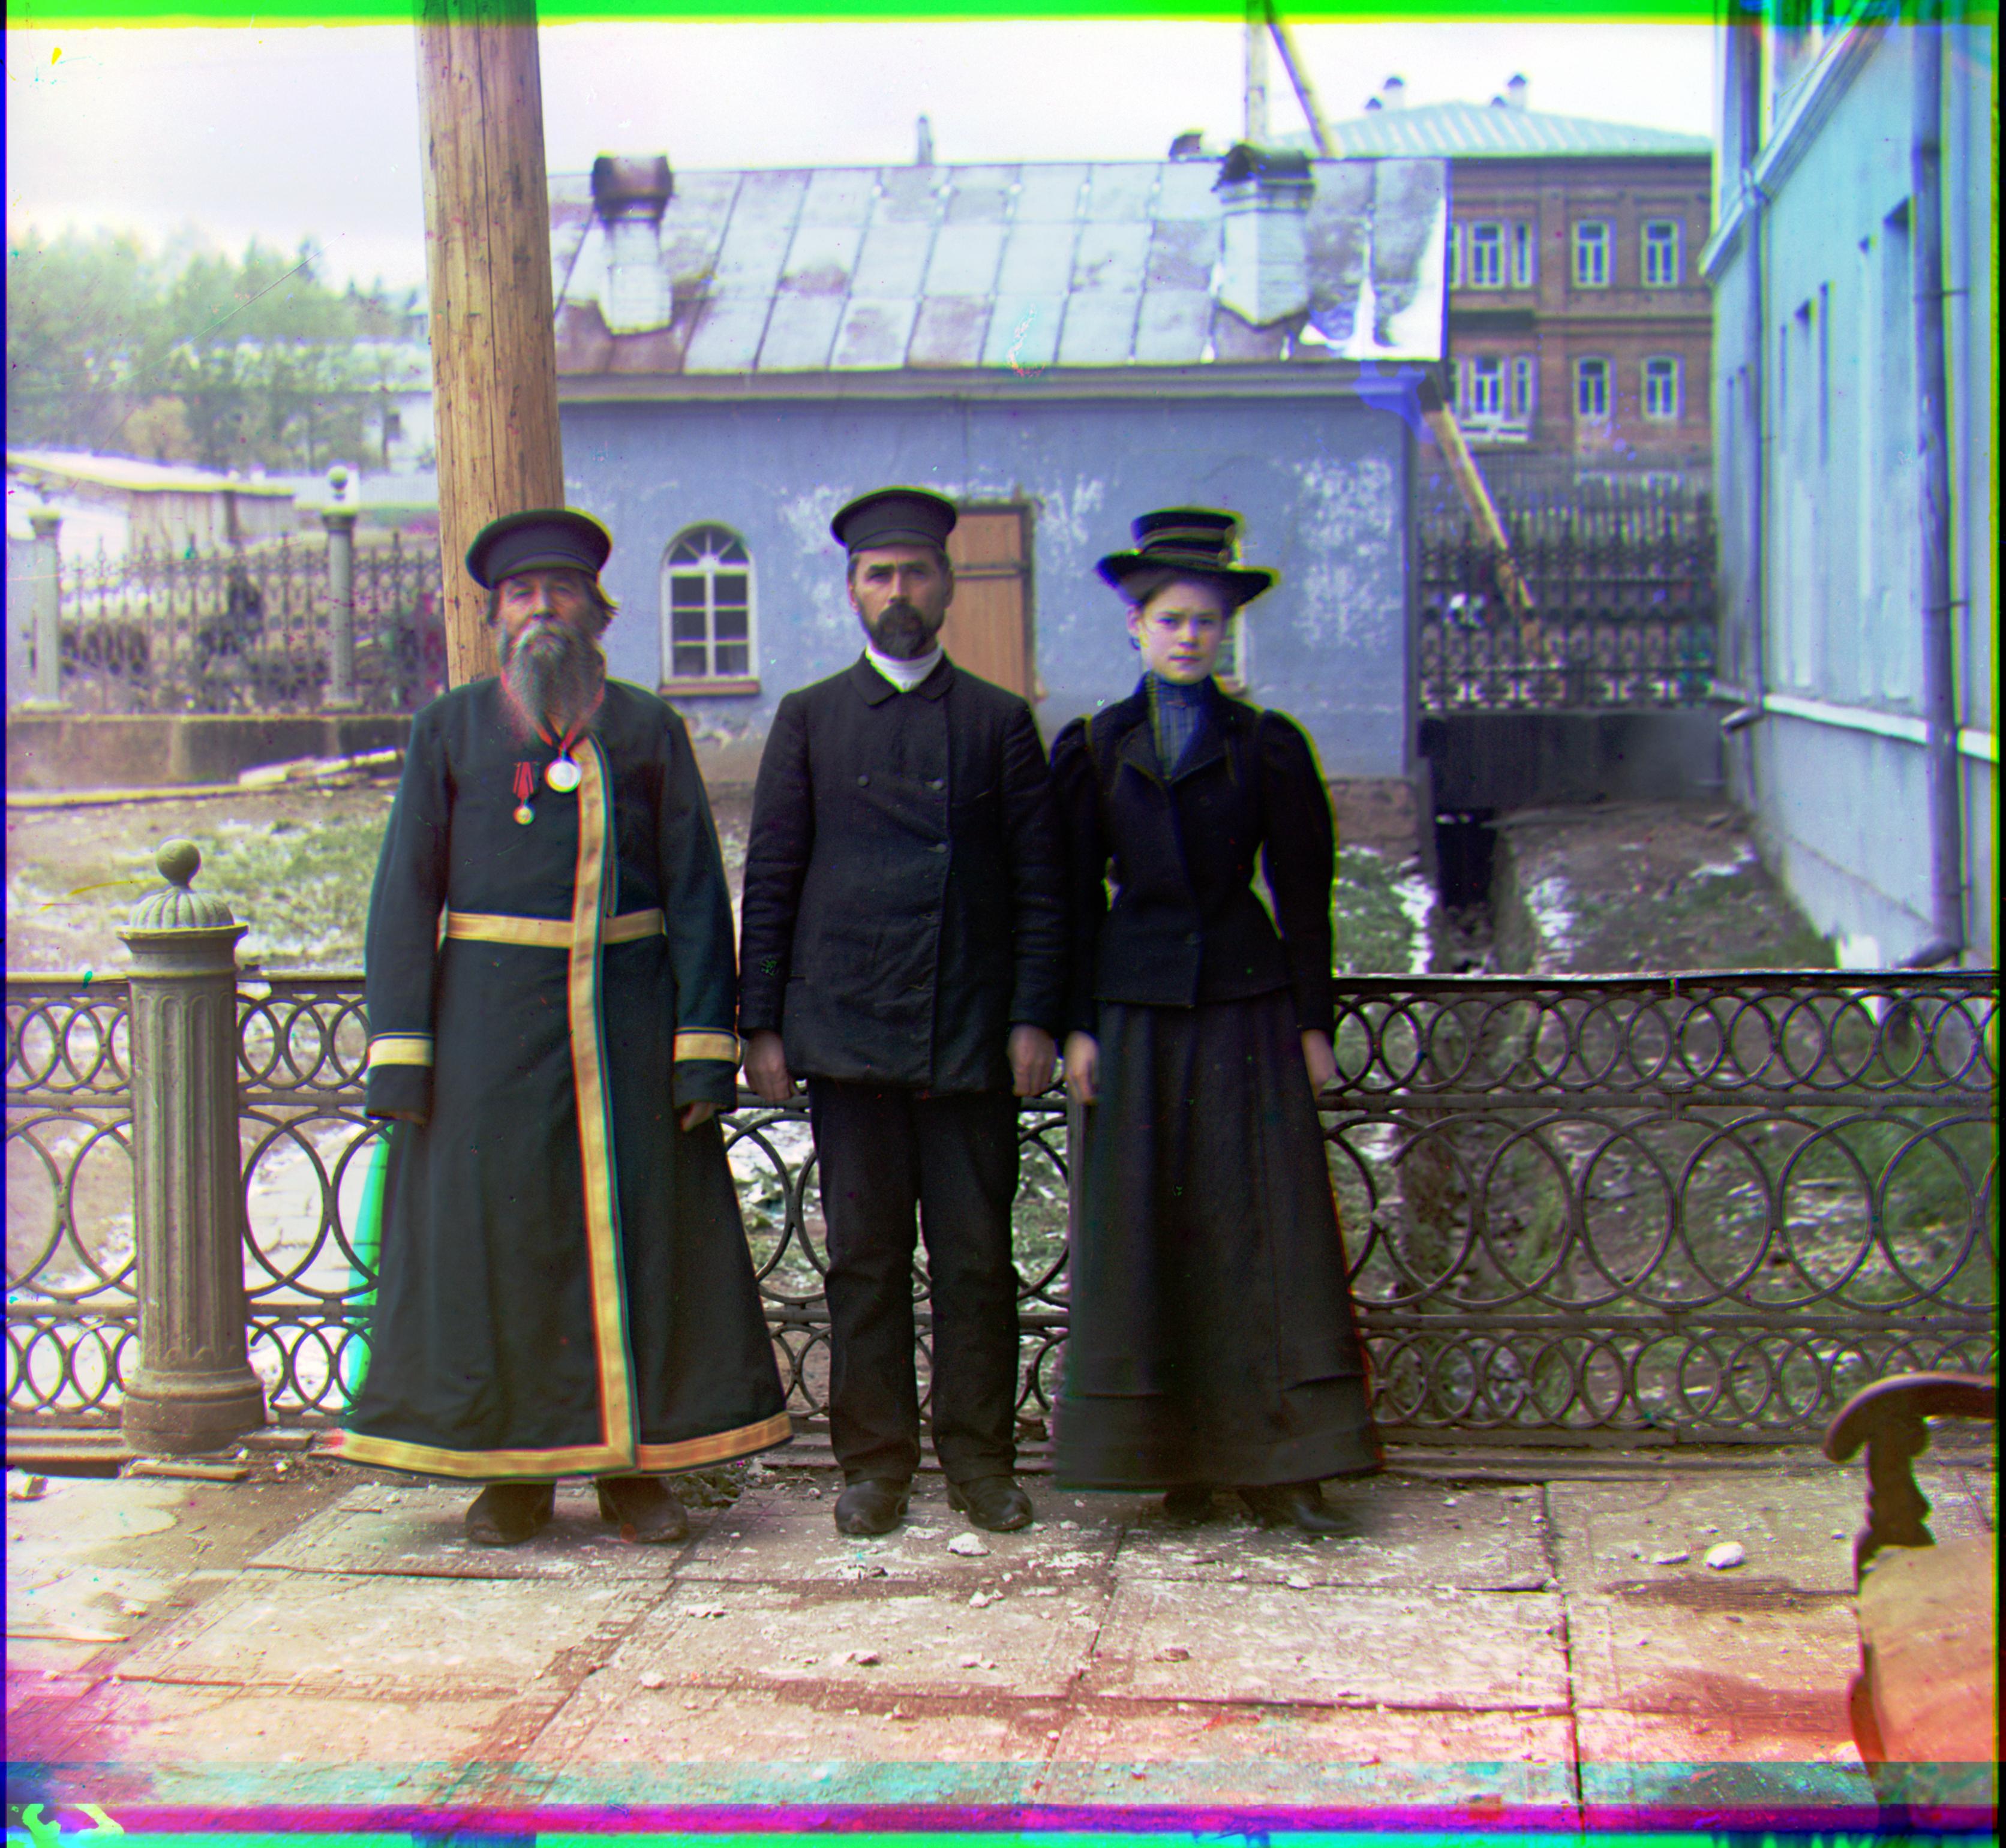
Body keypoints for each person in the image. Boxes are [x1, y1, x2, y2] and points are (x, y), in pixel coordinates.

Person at [332, 508, 791, 1546]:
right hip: (487, 1040)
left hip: (626, 1036)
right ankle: (514, 1476)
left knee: (638, 1246)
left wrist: (701, 1049)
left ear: (598, 610)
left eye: (562, 591)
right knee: (505, 1253)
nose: (542, 608)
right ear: (495, 616)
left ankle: (635, 1473)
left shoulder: (648, 730)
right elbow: (404, 897)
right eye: (521, 593)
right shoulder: (450, 730)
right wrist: (402, 1055)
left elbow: (694, 893)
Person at [738, 487, 1067, 1538]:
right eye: (879, 574)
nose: (898, 591)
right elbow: (773, 874)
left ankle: (980, 1460)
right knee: (864, 1264)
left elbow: (1042, 885)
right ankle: (874, 1464)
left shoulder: (999, 721)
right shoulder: (810, 718)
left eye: (916, 572)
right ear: (851, 591)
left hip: (968, 1033)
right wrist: (762, 1023)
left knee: (975, 1262)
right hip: (850, 1031)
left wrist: (1033, 1016)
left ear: (948, 584)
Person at [1050, 508, 1381, 1533]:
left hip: (1246, 1007)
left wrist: (1313, 1022)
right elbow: (1067, 898)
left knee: (1261, 1229)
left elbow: (1306, 892)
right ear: (1136, 627)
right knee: (1147, 1224)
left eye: (1206, 621)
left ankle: (1287, 1465)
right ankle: (1171, 1461)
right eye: (1172, 619)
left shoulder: (1268, 745)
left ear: (1226, 631)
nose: (1190, 636)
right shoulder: (1096, 747)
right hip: (1135, 1011)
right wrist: (1075, 1025)